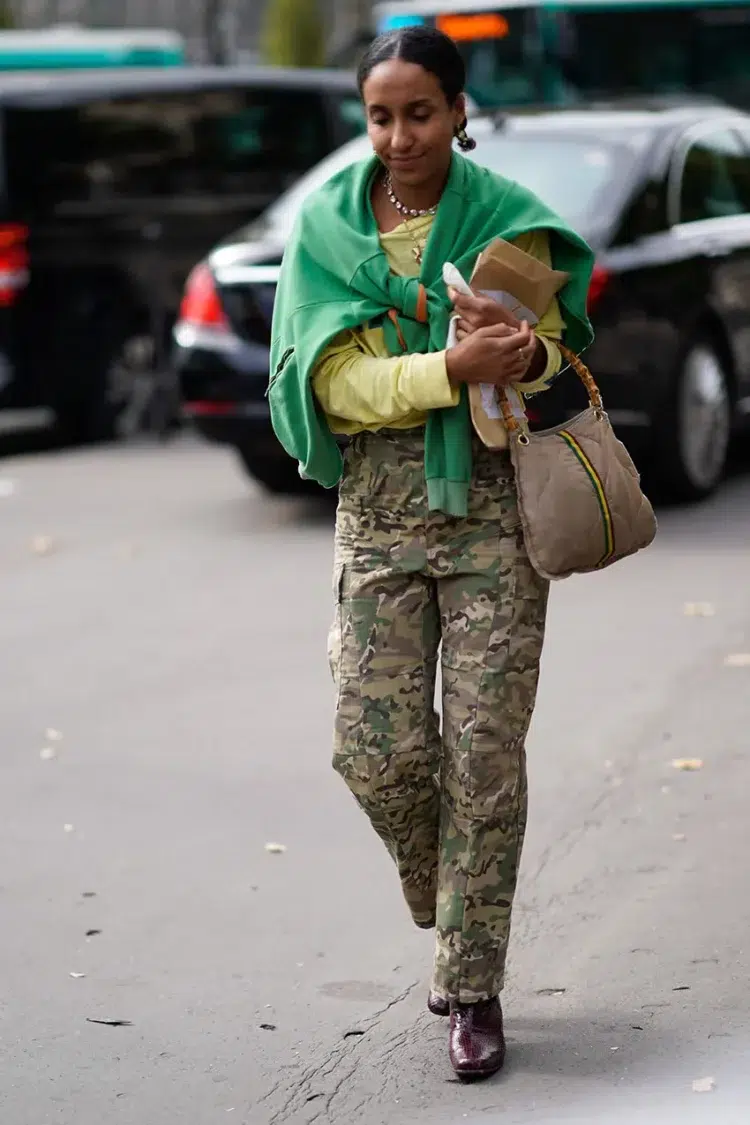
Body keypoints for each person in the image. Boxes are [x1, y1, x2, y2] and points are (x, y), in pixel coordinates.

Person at [269, 25, 594, 1080]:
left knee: (486, 754)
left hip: (496, 515)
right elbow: (333, 387)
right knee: (377, 752)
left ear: (460, 110)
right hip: (379, 516)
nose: (400, 135)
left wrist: (526, 349)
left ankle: (472, 981)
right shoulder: (326, 228)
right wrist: (448, 368)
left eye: (421, 111)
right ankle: (441, 878)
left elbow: (557, 356)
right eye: (380, 114)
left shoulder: (509, 221)